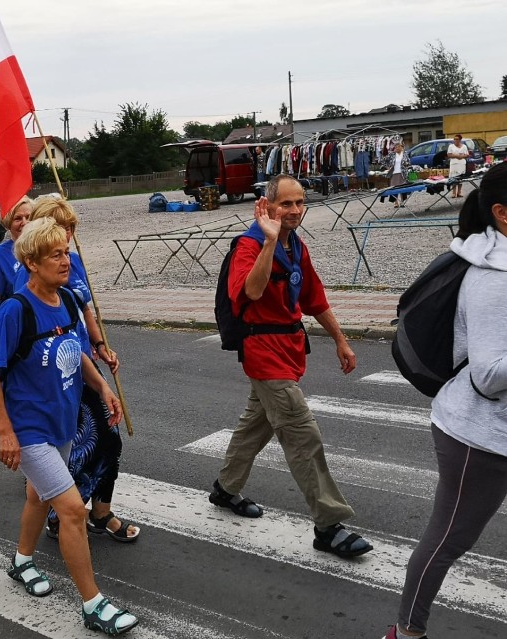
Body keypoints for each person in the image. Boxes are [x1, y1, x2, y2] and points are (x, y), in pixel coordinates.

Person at [0, 218, 138, 635]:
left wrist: (103, 387)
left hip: (62, 424)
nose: (65, 260)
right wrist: (4, 431)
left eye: (65, 252)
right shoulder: (15, 310)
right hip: (30, 430)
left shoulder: (66, 299)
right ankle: (94, 605)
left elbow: (76, 348)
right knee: (70, 510)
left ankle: (21, 561)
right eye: (55, 254)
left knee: (38, 497)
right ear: (31, 261)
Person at [208, 175, 373, 559]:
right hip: (263, 352)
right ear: (266, 206)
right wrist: (268, 241)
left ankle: (225, 489)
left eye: (300, 203)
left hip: (289, 349)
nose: (295, 211)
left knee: (256, 424)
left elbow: (314, 298)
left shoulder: (296, 246)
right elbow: (251, 290)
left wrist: (341, 339)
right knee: (302, 434)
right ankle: (328, 525)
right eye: (286, 204)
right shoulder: (249, 246)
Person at [380, 162, 507, 639]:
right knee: (449, 538)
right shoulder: (496, 279)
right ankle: (407, 632)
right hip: (480, 435)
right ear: (502, 213)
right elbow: (490, 375)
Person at [17, 197, 139, 543]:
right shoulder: (32, 278)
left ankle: (96, 512)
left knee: (107, 441)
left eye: (71, 227)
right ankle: (66, 512)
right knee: (90, 443)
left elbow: (84, 311)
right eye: (61, 227)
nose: (69, 235)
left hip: (84, 363)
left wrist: (101, 346)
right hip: (60, 377)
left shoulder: (72, 263)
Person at [0, 196, 32, 315]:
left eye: (29, 217)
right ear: (8, 223)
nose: (24, 223)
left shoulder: (44, 248)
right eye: (18, 219)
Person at [382, 142, 412, 208]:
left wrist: (406, 165)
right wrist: (388, 167)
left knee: (403, 188)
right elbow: (383, 161)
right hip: (394, 173)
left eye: (398, 147)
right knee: (394, 188)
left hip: (403, 173)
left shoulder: (405, 154)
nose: (397, 148)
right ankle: (395, 202)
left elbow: (409, 162)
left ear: (402, 147)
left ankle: (402, 202)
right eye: (396, 147)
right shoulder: (392, 154)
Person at [447, 134, 470, 198]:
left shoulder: (464, 146)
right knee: (454, 178)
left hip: (462, 164)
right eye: (455, 139)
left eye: (457, 139)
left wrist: (462, 156)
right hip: (454, 164)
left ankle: (459, 192)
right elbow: (449, 155)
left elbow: (467, 155)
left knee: (460, 178)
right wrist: (457, 156)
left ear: (460, 140)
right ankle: (454, 193)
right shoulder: (451, 146)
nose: (455, 140)